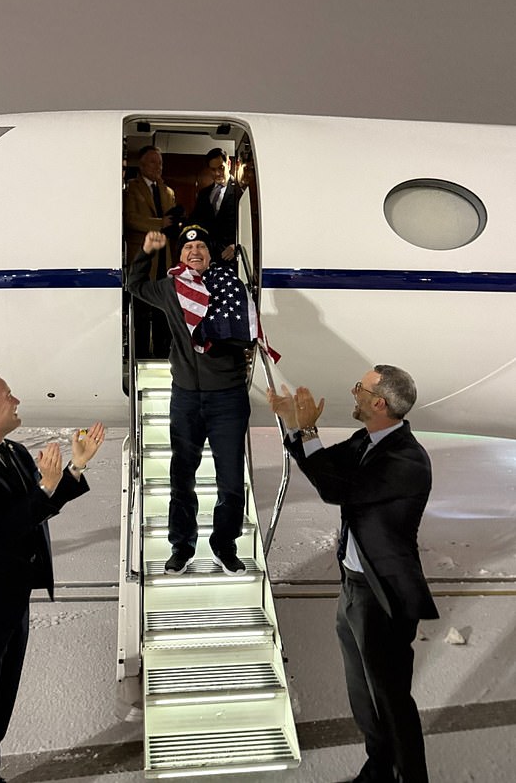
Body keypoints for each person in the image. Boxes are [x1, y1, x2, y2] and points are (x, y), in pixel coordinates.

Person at [0, 369, 106, 781]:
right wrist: (43, 490)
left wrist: (74, 469)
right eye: (7, 396)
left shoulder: (12, 453)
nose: (17, 401)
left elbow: (35, 508)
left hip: (10, 603)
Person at [268, 366, 438, 783]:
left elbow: (335, 489)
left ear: (379, 403)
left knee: (392, 699)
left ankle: (412, 777)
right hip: (354, 587)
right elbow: (325, 466)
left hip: (384, 597)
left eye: (361, 388)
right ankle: (379, 767)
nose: (354, 392)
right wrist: (295, 427)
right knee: (362, 693)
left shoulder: (406, 459)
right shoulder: (369, 440)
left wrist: (308, 432)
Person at [128, 225, 256, 576]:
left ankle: (224, 546)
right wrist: (146, 252)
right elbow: (135, 286)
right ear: (180, 257)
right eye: (187, 248)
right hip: (185, 398)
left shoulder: (229, 287)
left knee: (230, 481)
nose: (194, 251)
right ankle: (181, 547)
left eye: (201, 246)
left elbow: (245, 331)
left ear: (210, 256)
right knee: (181, 478)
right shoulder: (172, 288)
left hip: (227, 399)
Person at [124, 145, 178, 357]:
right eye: (154, 162)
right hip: (142, 257)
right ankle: (141, 356)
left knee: (163, 310)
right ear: (142, 165)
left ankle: (164, 355)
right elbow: (130, 219)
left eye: (161, 163)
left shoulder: (168, 191)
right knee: (141, 311)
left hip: (165, 258)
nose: (159, 167)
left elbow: (170, 221)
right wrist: (159, 223)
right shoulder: (131, 189)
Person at [190, 147, 242, 266]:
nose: (217, 173)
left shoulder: (241, 192)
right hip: (205, 260)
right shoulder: (204, 194)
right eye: (213, 170)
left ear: (228, 164)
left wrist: (237, 246)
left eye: (221, 168)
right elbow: (196, 222)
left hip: (229, 261)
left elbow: (249, 228)